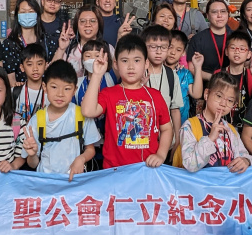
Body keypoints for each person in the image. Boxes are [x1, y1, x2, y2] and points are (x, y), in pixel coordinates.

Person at [81, 35, 174, 168]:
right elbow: (87, 111)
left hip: (147, 169)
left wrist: (161, 154)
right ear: (115, 64)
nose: (131, 66)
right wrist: (97, 75)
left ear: (146, 63)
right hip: (114, 170)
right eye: (124, 61)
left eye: (137, 60)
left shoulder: (155, 96)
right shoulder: (109, 94)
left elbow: (167, 129)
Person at [21, 60, 100, 180]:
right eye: (54, 87)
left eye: (67, 89)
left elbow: (90, 149)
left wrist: (81, 159)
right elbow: (33, 164)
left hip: (74, 181)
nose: (60, 94)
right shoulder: (37, 120)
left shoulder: (80, 115)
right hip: (46, 182)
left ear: (74, 90)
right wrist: (32, 155)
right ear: (44, 87)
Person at [175, 73, 252, 172]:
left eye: (230, 101)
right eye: (219, 96)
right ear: (206, 94)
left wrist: (246, 161)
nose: (223, 104)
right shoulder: (190, 126)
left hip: (226, 182)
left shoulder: (230, 130)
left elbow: (245, 156)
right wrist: (210, 138)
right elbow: (190, 164)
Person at [1, 0, 71, 86]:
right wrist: (19, 89)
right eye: (23, 12)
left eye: (31, 12)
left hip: (45, 90)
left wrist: (61, 49)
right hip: (22, 92)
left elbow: (52, 68)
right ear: (17, 15)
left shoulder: (46, 39)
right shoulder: (9, 44)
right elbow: (10, 77)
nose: (27, 15)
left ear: (37, 15)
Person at [142, 25, 185, 135]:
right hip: (142, 136)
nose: (159, 51)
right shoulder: (138, 73)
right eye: (153, 47)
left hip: (166, 136)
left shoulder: (171, 75)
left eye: (164, 47)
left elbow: (174, 110)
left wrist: (177, 138)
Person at [223, 30, 252, 130]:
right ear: (226, 51)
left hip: (246, 128)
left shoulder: (251, 75)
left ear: (249, 54)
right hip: (222, 126)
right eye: (233, 48)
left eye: (242, 49)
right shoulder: (219, 74)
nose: (237, 51)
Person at [184, 0, 232, 78]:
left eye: (223, 11)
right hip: (206, 83)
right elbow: (192, 68)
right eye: (214, 12)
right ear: (207, 16)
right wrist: (214, 78)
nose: (219, 15)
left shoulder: (236, 37)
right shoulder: (197, 39)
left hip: (233, 83)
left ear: (228, 14)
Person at [65, 4, 115, 78]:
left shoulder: (108, 48)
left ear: (99, 24)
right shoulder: (69, 49)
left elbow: (117, 74)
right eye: (83, 21)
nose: (88, 25)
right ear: (76, 25)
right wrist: (61, 49)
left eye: (93, 21)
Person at [167, 30, 204, 124]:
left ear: (183, 52)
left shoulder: (185, 73)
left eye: (178, 50)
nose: (173, 52)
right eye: (170, 47)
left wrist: (198, 67)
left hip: (181, 123)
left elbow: (196, 94)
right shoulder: (157, 71)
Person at [12, 43, 48, 124]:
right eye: (29, 64)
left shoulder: (51, 92)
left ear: (46, 65)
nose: (35, 68)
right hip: (20, 132)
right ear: (22, 67)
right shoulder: (15, 92)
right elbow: (12, 120)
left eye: (39, 64)